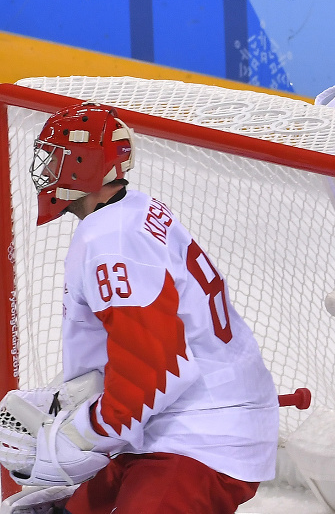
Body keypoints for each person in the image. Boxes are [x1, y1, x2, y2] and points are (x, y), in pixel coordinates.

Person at [0, 102, 279, 513]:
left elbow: (156, 363)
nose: (46, 171)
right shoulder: (135, 208)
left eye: (58, 158)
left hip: (201, 439)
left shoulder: (110, 240)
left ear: (84, 164)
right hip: (177, 422)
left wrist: (83, 433)